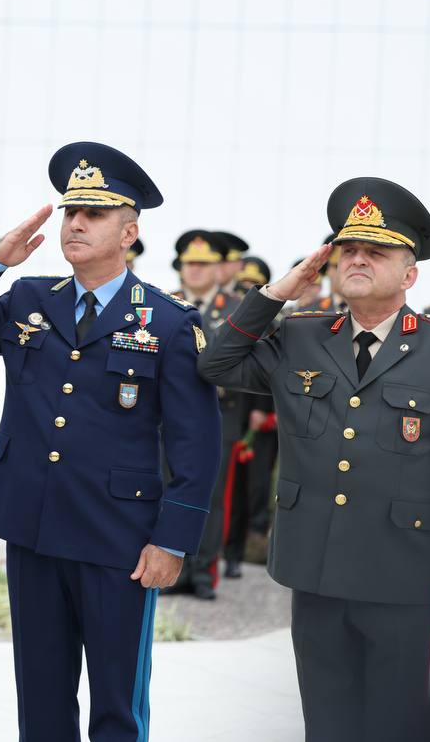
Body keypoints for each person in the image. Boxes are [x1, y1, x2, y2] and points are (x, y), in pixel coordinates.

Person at [0, 142, 221, 741]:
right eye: (70, 212)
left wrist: (172, 541)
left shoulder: (168, 322)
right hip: (32, 525)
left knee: (117, 703)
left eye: (94, 214)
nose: (75, 223)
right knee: (41, 698)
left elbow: (197, 444)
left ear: (129, 232)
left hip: (118, 537)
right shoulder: (29, 300)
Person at [197, 177, 430, 742]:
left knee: (394, 722)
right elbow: (215, 364)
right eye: (348, 249)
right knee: (326, 721)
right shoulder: (300, 337)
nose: (357, 259)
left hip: (401, 572)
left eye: (376, 252)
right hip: (315, 566)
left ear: (409, 275)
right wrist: (277, 292)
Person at [164, 230, 243, 599]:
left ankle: (204, 572)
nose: (195, 270)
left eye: (203, 264)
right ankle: (174, 568)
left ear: (218, 269)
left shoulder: (237, 308)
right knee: (167, 490)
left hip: (219, 416)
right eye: (189, 264)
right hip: (168, 419)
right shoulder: (165, 303)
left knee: (212, 496)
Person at [224, 256, 279, 575]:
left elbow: (274, 373)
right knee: (227, 489)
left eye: (252, 287)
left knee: (254, 489)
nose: (246, 292)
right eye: (242, 285)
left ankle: (238, 552)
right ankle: (221, 552)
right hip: (231, 415)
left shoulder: (272, 326)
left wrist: (263, 409)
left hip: (259, 424)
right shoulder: (230, 319)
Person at [213, 231, 248, 297]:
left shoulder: (250, 297)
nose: (220, 265)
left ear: (239, 264)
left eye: (226, 261)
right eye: (214, 260)